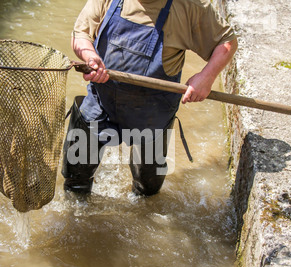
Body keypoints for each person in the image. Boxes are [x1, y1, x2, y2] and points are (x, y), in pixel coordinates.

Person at [62, 0, 237, 196]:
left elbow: (226, 41)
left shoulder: (191, 6)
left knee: (148, 190)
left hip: (152, 113)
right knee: (74, 182)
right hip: (101, 102)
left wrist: (206, 77)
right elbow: (81, 34)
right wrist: (90, 56)